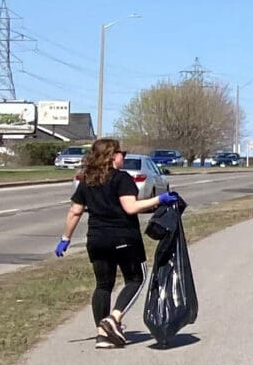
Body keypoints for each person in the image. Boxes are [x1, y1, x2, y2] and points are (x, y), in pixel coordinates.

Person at [56, 138, 176, 349]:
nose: (124, 157)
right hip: (124, 239)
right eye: (123, 153)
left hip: (96, 240)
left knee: (103, 285)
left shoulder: (87, 181)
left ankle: (102, 334)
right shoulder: (122, 179)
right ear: (113, 155)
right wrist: (160, 199)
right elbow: (130, 208)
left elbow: (75, 211)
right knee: (136, 278)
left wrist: (65, 239)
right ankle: (114, 318)